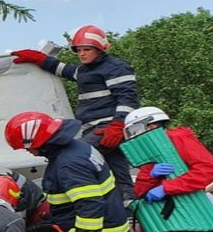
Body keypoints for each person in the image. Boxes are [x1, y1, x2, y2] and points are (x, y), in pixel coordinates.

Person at [11, 25, 138, 201]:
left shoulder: (116, 67)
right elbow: (63, 69)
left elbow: (128, 99)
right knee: (118, 175)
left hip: (107, 129)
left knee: (69, 155)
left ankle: (55, 201)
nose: (82, 54)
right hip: (97, 130)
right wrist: (38, 59)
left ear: (100, 49)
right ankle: (131, 209)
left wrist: (117, 126)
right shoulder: (84, 71)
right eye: (79, 50)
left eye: (87, 49)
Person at [4, 112, 130, 232]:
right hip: (103, 231)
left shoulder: (69, 165)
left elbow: (90, 204)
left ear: (38, 140)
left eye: (27, 147)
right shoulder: (77, 147)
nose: (29, 152)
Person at [124, 106, 213, 232]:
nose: (135, 135)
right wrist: (151, 176)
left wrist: (167, 187)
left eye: (136, 130)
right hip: (160, 219)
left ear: (152, 125)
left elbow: (207, 170)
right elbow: (139, 190)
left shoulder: (178, 138)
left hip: (183, 215)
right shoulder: (152, 149)